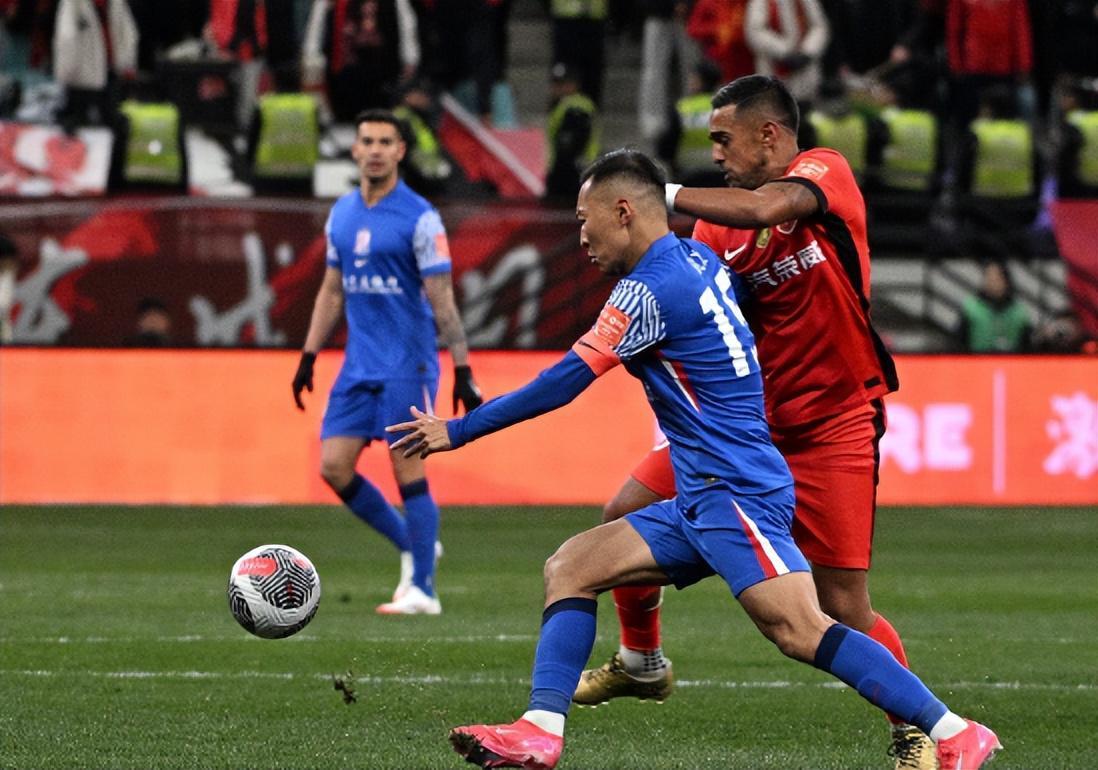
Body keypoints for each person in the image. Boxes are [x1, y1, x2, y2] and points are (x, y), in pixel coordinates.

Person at [387, 149, 1001, 770]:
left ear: (623, 212)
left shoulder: (647, 290)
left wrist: (458, 430)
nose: (582, 238)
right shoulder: (699, 258)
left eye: (585, 220)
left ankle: (953, 730)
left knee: (801, 629)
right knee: (571, 567)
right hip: (703, 494)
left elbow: (564, 382)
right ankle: (541, 731)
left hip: (735, 493)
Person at [573, 75, 934, 769]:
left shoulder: (825, 173)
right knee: (621, 513)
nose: (715, 153)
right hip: (743, 433)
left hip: (833, 425)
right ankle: (642, 661)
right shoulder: (715, 229)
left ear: (768, 134)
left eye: (723, 139)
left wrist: (656, 194)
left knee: (842, 605)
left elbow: (768, 206)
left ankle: (914, 728)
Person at [291, 109, 483, 615]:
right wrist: (308, 354)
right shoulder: (342, 213)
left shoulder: (421, 217)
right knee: (334, 467)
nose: (375, 150)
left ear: (400, 151)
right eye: (367, 141)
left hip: (407, 363)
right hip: (358, 364)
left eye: (385, 142)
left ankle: (424, 590)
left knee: (407, 470)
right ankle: (415, 545)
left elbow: (442, 297)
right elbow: (332, 290)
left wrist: (462, 366)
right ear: (354, 149)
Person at [543, 62, 600, 201]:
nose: (557, 88)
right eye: (555, 83)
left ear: (574, 84)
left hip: (573, 174)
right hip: (573, 173)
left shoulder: (576, 108)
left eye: (562, 83)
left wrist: (557, 176)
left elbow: (569, 145)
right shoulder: (564, 105)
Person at [956, 261, 1032, 353]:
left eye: (996, 278)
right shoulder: (971, 308)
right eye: (988, 277)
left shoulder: (1019, 312)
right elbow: (958, 342)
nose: (991, 282)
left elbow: (1027, 345)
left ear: (1006, 281)